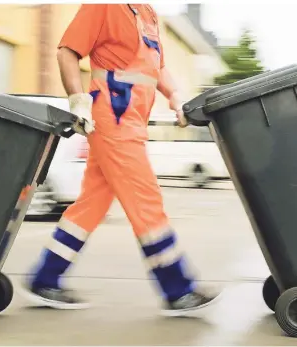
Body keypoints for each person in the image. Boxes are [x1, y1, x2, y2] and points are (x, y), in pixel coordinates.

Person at [23, 4, 220, 317]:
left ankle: (46, 277)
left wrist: (175, 96)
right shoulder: (104, 6)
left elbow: (157, 67)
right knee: (146, 200)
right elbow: (66, 52)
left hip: (132, 120)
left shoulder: (148, 13)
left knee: (90, 205)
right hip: (112, 116)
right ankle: (177, 288)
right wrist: (78, 101)